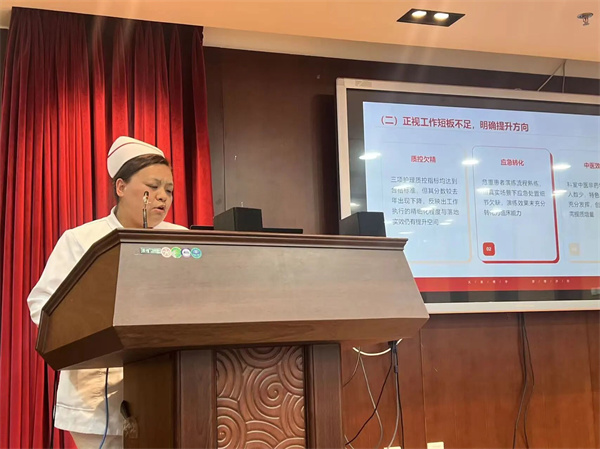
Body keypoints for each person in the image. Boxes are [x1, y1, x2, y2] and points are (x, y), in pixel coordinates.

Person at [27, 136, 187, 449]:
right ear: (121, 187)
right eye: (152, 187)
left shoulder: (180, 239)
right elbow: (43, 306)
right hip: (96, 397)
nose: (162, 197)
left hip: (166, 385)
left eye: (169, 190)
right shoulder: (82, 240)